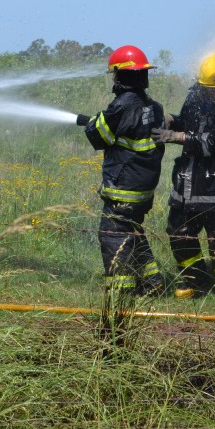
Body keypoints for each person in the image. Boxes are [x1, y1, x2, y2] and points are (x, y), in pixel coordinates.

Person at [77, 45, 166, 315]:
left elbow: (99, 136)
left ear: (119, 76)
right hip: (143, 189)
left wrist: (94, 123)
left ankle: (121, 292)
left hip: (123, 187)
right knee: (133, 230)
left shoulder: (121, 105)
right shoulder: (155, 107)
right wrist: (99, 120)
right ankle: (152, 282)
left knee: (112, 235)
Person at [152, 53, 215, 298]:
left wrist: (179, 137)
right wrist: (171, 120)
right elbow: (188, 121)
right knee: (179, 232)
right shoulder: (195, 97)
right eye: (210, 89)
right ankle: (193, 280)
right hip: (189, 183)